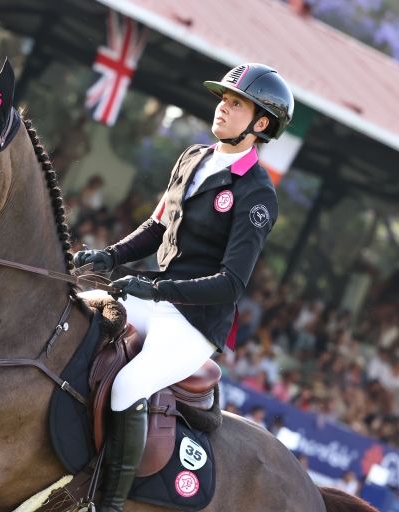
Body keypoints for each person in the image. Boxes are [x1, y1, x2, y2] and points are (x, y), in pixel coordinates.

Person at [73, 63, 293, 511]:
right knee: (72, 323)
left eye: (236, 105)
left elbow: (231, 284)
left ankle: (107, 504)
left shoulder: (257, 194)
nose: (223, 109)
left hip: (194, 321)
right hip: (154, 293)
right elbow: (157, 227)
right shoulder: (192, 157)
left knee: (128, 386)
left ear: (261, 124)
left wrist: (156, 292)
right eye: (223, 100)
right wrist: (109, 255)